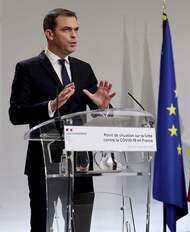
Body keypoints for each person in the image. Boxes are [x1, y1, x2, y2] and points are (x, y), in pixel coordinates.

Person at [8, 8, 116, 231]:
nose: (74, 35)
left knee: (81, 225)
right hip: (44, 164)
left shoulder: (83, 69)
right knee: (42, 224)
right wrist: (51, 105)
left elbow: (99, 111)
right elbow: (16, 113)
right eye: (67, 30)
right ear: (49, 33)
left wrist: (102, 106)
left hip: (80, 163)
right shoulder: (27, 68)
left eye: (76, 30)